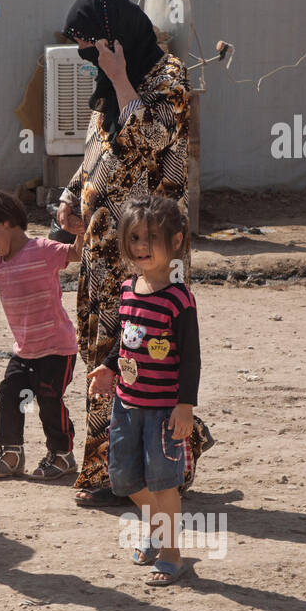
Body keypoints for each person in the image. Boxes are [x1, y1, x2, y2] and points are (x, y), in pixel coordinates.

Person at [55, 0, 213, 508]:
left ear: (117, 37)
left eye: (93, 44)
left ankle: (167, 461)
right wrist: (71, 197)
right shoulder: (106, 88)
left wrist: (123, 80)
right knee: (109, 354)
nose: (87, 56)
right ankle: (113, 469)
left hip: (149, 250)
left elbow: (154, 140)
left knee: (151, 353)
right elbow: (98, 152)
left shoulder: (168, 78)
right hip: (104, 247)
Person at [88, 195, 200, 585]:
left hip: (164, 412)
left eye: (151, 237)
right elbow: (127, 341)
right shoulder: (127, 290)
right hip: (126, 406)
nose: (141, 247)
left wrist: (184, 407)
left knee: (164, 483)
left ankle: (172, 553)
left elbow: (191, 360)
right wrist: (108, 367)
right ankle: (157, 528)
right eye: (134, 238)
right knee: (123, 480)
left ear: (177, 241)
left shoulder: (179, 298)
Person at [0, 189, 81, 480]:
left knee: (48, 398)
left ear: (5, 221)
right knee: (9, 394)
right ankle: (11, 452)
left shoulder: (43, 249)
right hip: (24, 350)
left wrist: (80, 228)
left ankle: (62, 454)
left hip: (57, 348)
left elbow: (77, 253)